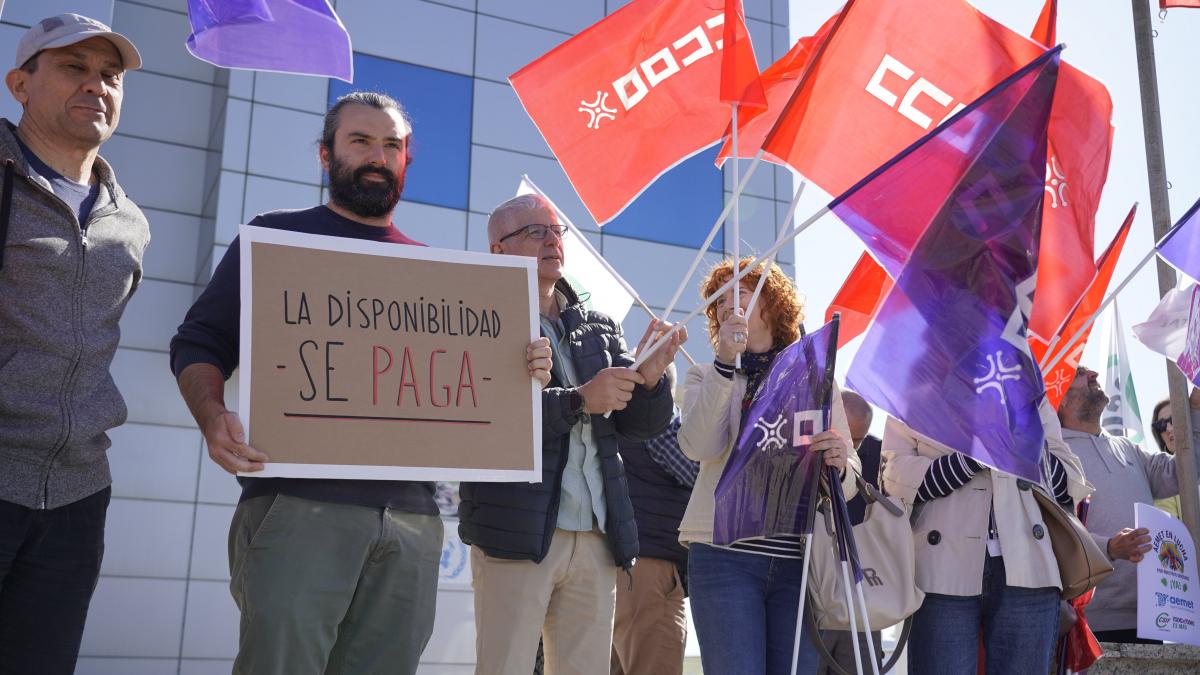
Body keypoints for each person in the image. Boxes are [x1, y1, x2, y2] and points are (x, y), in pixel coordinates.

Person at [170, 92, 553, 675]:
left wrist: (521, 370)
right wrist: (211, 414)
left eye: (392, 146)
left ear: (406, 162)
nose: (379, 156)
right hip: (297, 507)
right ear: (325, 155)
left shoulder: (439, 274)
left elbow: (483, 394)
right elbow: (198, 343)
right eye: (361, 141)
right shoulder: (272, 241)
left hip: (412, 522)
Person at [459, 194, 680, 675]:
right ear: (498, 250)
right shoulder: (475, 316)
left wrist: (651, 380)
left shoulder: (599, 328)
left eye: (557, 231)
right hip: (515, 532)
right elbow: (485, 416)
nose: (552, 241)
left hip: (597, 536)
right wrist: (579, 399)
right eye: (535, 232)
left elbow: (639, 426)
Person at [0, 14, 147, 674]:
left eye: (109, 75)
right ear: (20, 83)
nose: (96, 85)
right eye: (73, 68)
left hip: (76, 496)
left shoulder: (130, 221)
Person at [678, 258, 857, 675]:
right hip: (723, 556)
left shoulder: (815, 378)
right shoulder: (704, 375)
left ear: (771, 303)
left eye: (738, 291)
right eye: (717, 298)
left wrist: (839, 463)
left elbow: (847, 481)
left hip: (798, 560)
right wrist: (725, 363)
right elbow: (699, 446)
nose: (725, 303)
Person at [883, 390, 1091, 673]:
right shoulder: (914, 391)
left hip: (1030, 569)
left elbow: (1070, 483)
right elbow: (895, 479)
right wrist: (974, 457)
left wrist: (1025, 441)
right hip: (940, 572)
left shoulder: (1028, 393)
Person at [1059, 366, 1196, 644]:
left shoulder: (1128, 448)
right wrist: (1109, 547)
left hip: (1153, 617)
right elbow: (1054, 531)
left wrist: (1196, 409)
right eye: (1080, 373)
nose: (1093, 374)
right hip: (1090, 624)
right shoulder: (1051, 454)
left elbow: (1188, 469)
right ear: (1058, 396)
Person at [610, 362, 695, 675]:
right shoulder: (659, 423)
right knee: (656, 663)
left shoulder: (616, 423)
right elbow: (697, 472)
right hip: (650, 568)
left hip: (624, 567)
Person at [819, 390, 882, 674]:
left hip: (861, 585)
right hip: (815, 582)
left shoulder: (879, 455)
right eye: (848, 437)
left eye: (859, 439)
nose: (851, 447)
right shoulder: (807, 447)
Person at [1150, 398, 1184, 518]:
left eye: (1174, 419)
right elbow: (1171, 533)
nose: (1168, 429)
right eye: (1161, 425)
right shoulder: (1163, 483)